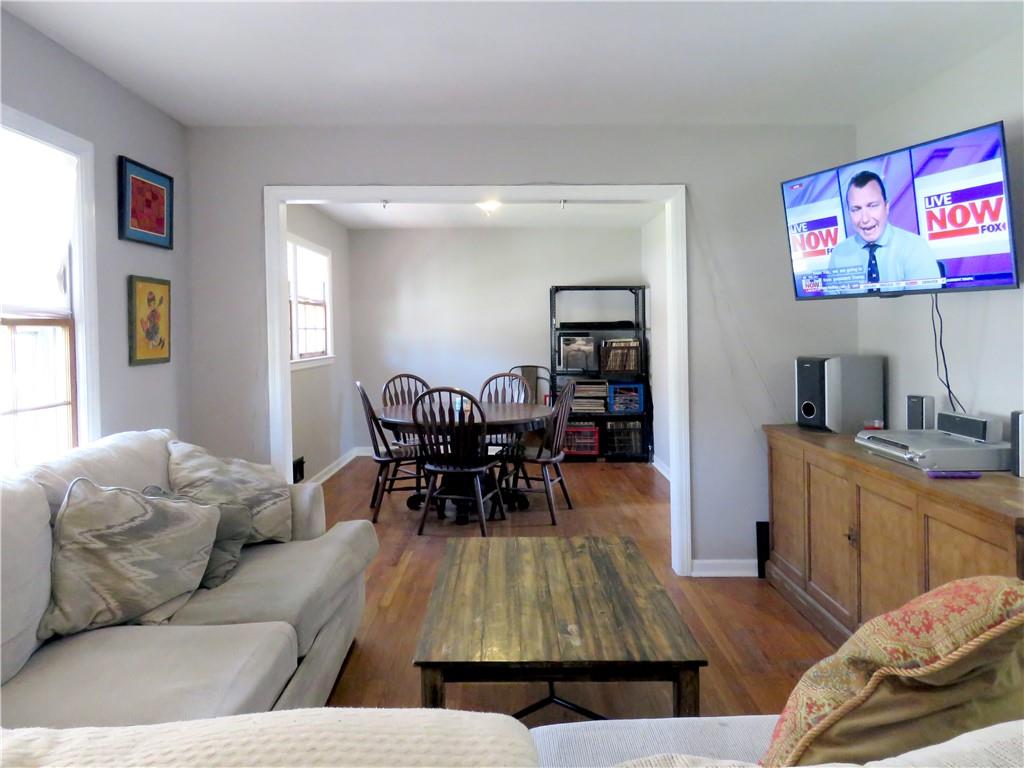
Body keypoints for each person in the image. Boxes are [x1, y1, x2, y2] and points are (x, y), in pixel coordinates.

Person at [827, 171, 940, 292]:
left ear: (886, 207)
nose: (865, 219)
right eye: (856, 209)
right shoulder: (839, 254)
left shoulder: (915, 247)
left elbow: (923, 305)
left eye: (872, 206)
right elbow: (832, 307)